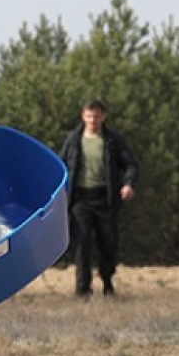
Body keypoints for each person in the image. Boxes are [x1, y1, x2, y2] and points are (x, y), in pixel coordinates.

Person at [57, 100, 138, 297]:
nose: (92, 120)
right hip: (80, 200)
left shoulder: (112, 141)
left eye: (96, 116)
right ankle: (83, 289)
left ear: (103, 117)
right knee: (82, 243)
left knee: (108, 243)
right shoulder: (73, 140)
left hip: (105, 199)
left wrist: (128, 184)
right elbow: (60, 166)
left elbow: (130, 164)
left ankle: (108, 283)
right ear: (83, 116)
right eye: (89, 116)